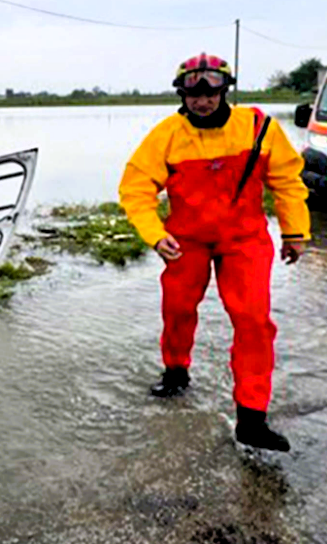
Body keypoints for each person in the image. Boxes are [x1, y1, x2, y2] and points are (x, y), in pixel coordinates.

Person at [118, 53, 310, 452]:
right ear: (182, 95)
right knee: (178, 308)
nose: (202, 101)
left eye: (210, 92)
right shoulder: (166, 135)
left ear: (225, 90)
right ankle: (175, 372)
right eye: (192, 94)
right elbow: (136, 189)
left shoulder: (258, 127)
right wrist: (155, 235)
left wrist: (295, 232)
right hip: (185, 240)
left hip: (245, 240)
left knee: (254, 321)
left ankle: (252, 418)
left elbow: (288, 182)